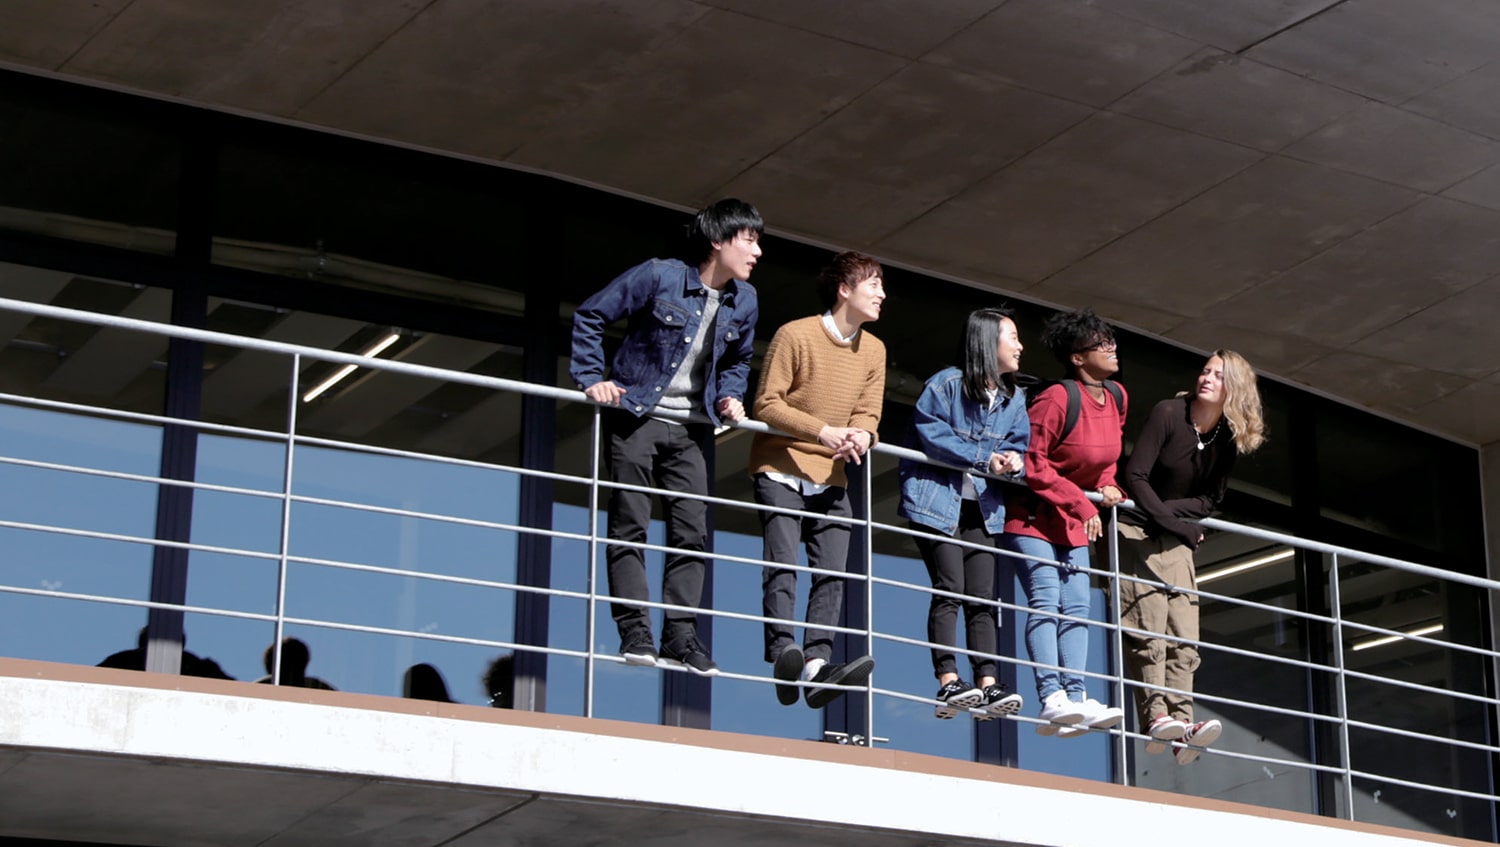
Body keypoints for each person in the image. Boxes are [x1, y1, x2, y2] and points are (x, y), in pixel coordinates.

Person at [569, 198, 763, 676]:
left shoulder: (747, 301)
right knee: (630, 524)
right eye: (749, 239)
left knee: (692, 534)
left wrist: (729, 398)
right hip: (638, 416)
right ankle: (636, 632)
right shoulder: (659, 276)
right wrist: (594, 377)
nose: (757, 251)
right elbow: (591, 315)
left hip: (693, 429)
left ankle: (681, 637)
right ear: (717, 241)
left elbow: (738, 360)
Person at [751, 250, 886, 708]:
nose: (882, 295)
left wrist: (862, 438)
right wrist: (823, 431)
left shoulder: (874, 349)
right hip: (781, 463)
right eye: (874, 285)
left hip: (832, 475)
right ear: (844, 289)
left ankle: (815, 666)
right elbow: (766, 404)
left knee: (831, 571)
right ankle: (782, 652)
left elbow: (868, 411)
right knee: (783, 562)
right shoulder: (795, 335)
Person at [1118, 349, 1265, 765]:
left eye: (1218, 376)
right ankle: (1156, 716)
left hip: (1171, 533)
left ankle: (1183, 725)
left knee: (1184, 632)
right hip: (1137, 529)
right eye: (1205, 371)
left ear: (1232, 389)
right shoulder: (1169, 413)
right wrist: (1173, 520)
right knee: (1148, 626)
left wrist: (1172, 519)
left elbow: (1209, 500)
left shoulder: (1226, 440)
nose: (1206, 379)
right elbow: (1135, 476)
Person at [898, 308, 1029, 720]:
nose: (1020, 346)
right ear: (988, 342)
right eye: (1012, 337)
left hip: (983, 507)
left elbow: (1020, 444)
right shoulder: (947, 384)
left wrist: (1013, 460)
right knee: (950, 585)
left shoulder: (1013, 396)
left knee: (984, 596)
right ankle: (948, 680)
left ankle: (988, 684)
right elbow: (930, 431)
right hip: (936, 502)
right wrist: (982, 458)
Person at [1002, 308, 1126, 737]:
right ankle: (1051, 696)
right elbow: (1034, 464)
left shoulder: (1117, 399)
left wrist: (1108, 486)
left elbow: (1104, 460)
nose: (1111, 348)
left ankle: (1075, 696)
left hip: (1073, 519)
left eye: (1110, 340)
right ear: (1077, 357)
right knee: (1047, 597)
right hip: (1035, 516)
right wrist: (1084, 504)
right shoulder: (1057, 398)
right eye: (1100, 343)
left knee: (1079, 608)